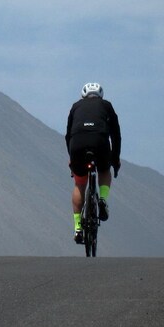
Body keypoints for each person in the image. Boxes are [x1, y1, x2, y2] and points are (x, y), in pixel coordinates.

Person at [65, 82, 121, 245]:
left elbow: (68, 135)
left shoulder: (75, 106)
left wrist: (72, 159)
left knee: (79, 183)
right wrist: (115, 159)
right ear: (100, 95)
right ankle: (102, 199)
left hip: (77, 145)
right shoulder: (106, 106)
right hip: (100, 143)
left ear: (83, 95)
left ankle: (77, 228)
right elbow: (116, 135)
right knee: (104, 170)